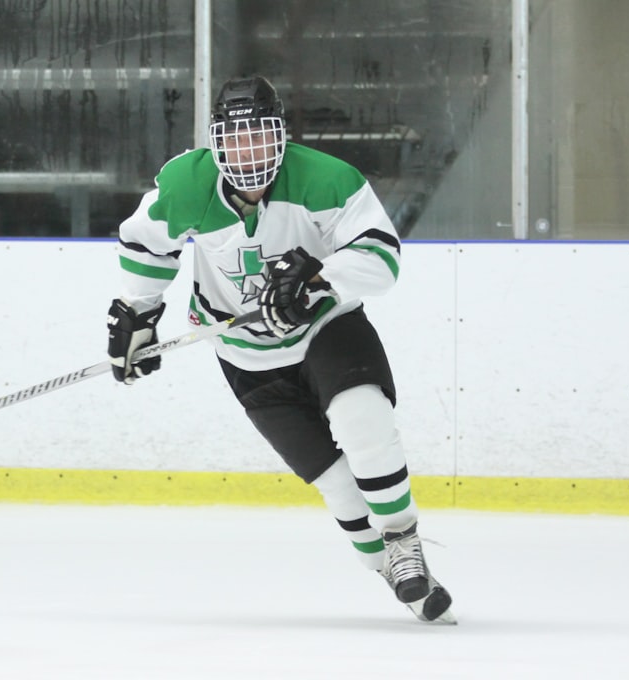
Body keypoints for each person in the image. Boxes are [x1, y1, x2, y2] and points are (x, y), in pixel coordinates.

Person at [106, 75, 455, 624]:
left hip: (325, 328)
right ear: (215, 142)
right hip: (244, 354)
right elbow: (147, 242)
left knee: (364, 420)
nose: (248, 153)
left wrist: (321, 276)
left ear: (282, 135)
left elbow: (382, 258)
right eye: (235, 140)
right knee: (335, 484)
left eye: (260, 137)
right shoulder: (185, 183)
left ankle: (404, 542)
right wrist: (139, 313)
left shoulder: (328, 178)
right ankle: (384, 564)